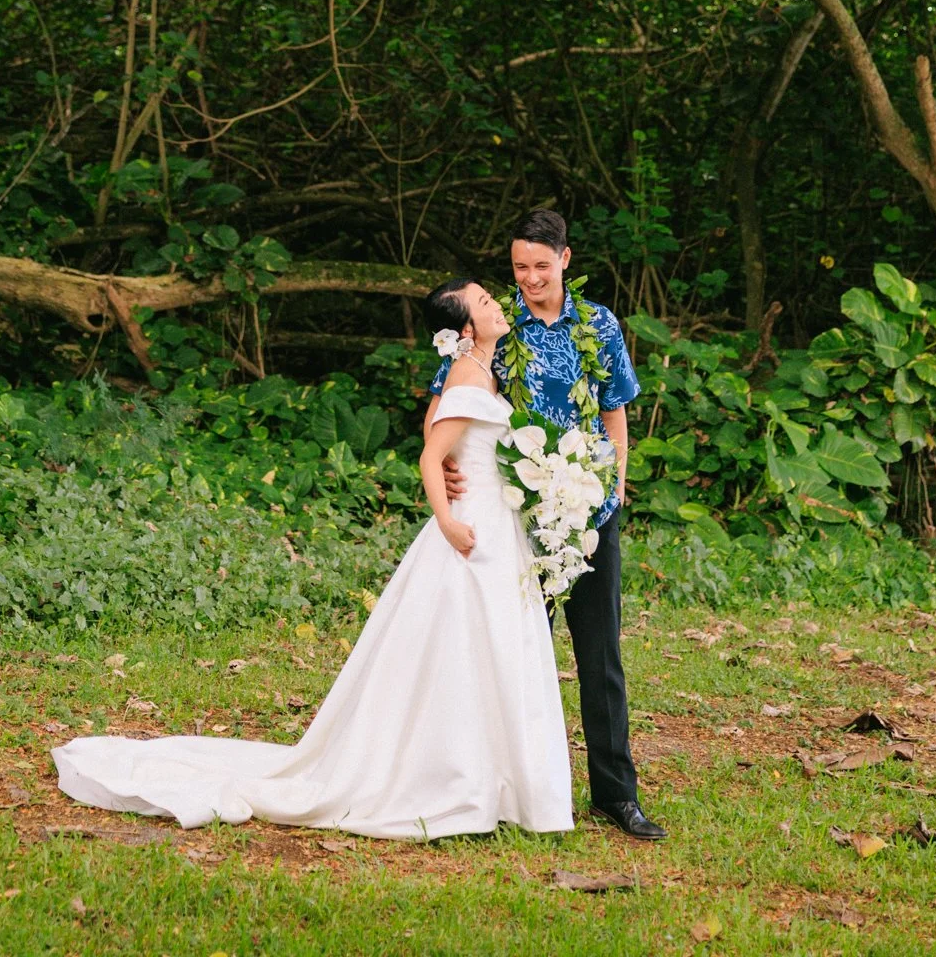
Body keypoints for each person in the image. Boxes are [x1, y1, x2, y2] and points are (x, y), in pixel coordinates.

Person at [52, 280, 573, 839]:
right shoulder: (470, 374)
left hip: (497, 522)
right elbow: (431, 454)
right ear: (467, 329)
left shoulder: (482, 375)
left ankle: (491, 777)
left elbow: (441, 426)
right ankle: (457, 776)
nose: (499, 306)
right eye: (487, 303)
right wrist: (447, 520)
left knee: (491, 646)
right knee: (470, 645)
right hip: (472, 529)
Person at [426, 208, 666, 843]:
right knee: (515, 654)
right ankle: (502, 785)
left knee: (600, 653)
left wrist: (614, 483)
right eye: (518, 267)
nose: (529, 279)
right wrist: (447, 465)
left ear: (565, 259)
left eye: (540, 265)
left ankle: (617, 795)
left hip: (589, 510)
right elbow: (446, 402)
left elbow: (615, 409)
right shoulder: (496, 330)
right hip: (516, 516)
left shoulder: (599, 324)